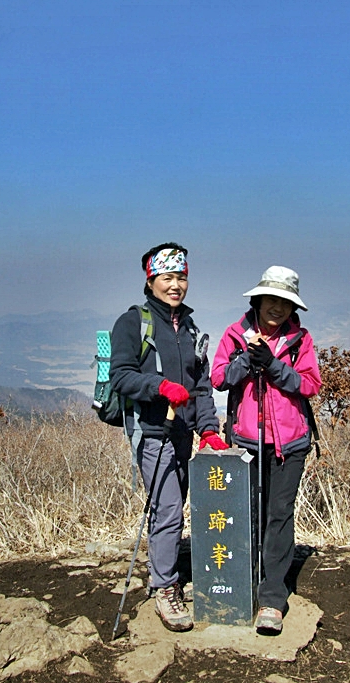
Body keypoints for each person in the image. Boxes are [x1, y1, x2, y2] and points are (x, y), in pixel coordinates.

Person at [109, 242, 229, 632]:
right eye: (167, 277)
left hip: (182, 431)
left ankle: (164, 572)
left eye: (181, 277)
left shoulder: (190, 328)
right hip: (152, 430)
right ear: (151, 279)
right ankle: (165, 586)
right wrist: (160, 387)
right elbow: (121, 376)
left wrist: (209, 429)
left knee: (173, 505)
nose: (175, 285)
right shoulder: (133, 323)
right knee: (168, 508)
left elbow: (200, 387)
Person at [210, 265, 322, 634]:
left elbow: (309, 385)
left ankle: (272, 598)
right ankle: (245, 585)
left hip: (290, 444)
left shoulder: (300, 340)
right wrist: (246, 361)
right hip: (247, 440)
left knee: (279, 515)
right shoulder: (235, 334)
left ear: (293, 309)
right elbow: (220, 378)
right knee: (249, 516)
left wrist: (273, 367)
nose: (277, 308)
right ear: (258, 299)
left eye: (285, 303)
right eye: (272, 299)